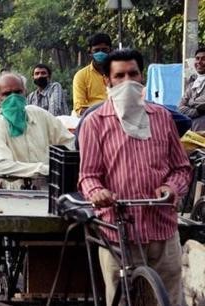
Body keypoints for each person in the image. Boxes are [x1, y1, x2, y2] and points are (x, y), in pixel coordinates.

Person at [78, 49, 191, 306]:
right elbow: (88, 176)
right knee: (122, 298)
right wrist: (98, 192)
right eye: (119, 76)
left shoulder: (162, 117)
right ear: (107, 81)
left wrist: (171, 187)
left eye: (133, 74)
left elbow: (182, 168)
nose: (127, 81)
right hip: (118, 231)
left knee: (169, 298)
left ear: (142, 77)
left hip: (162, 228)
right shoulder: (95, 122)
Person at [0, 73, 74, 189]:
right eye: (7, 94)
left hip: (51, 186)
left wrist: (63, 167)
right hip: (16, 190)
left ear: (25, 92)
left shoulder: (39, 114)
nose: (13, 98)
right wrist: (42, 169)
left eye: (18, 92)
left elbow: (69, 142)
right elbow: (1, 165)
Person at [72, 33, 111, 116]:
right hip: (91, 118)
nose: (100, 53)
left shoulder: (119, 73)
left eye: (104, 50)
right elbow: (80, 108)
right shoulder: (81, 76)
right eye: (96, 50)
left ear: (110, 50)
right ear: (90, 52)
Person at [179, 47, 205, 130]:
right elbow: (180, 107)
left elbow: (203, 103)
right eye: (197, 59)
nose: (199, 62)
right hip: (192, 133)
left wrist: (190, 103)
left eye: (203, 59)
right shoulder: (193, 83)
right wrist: (198, 111)